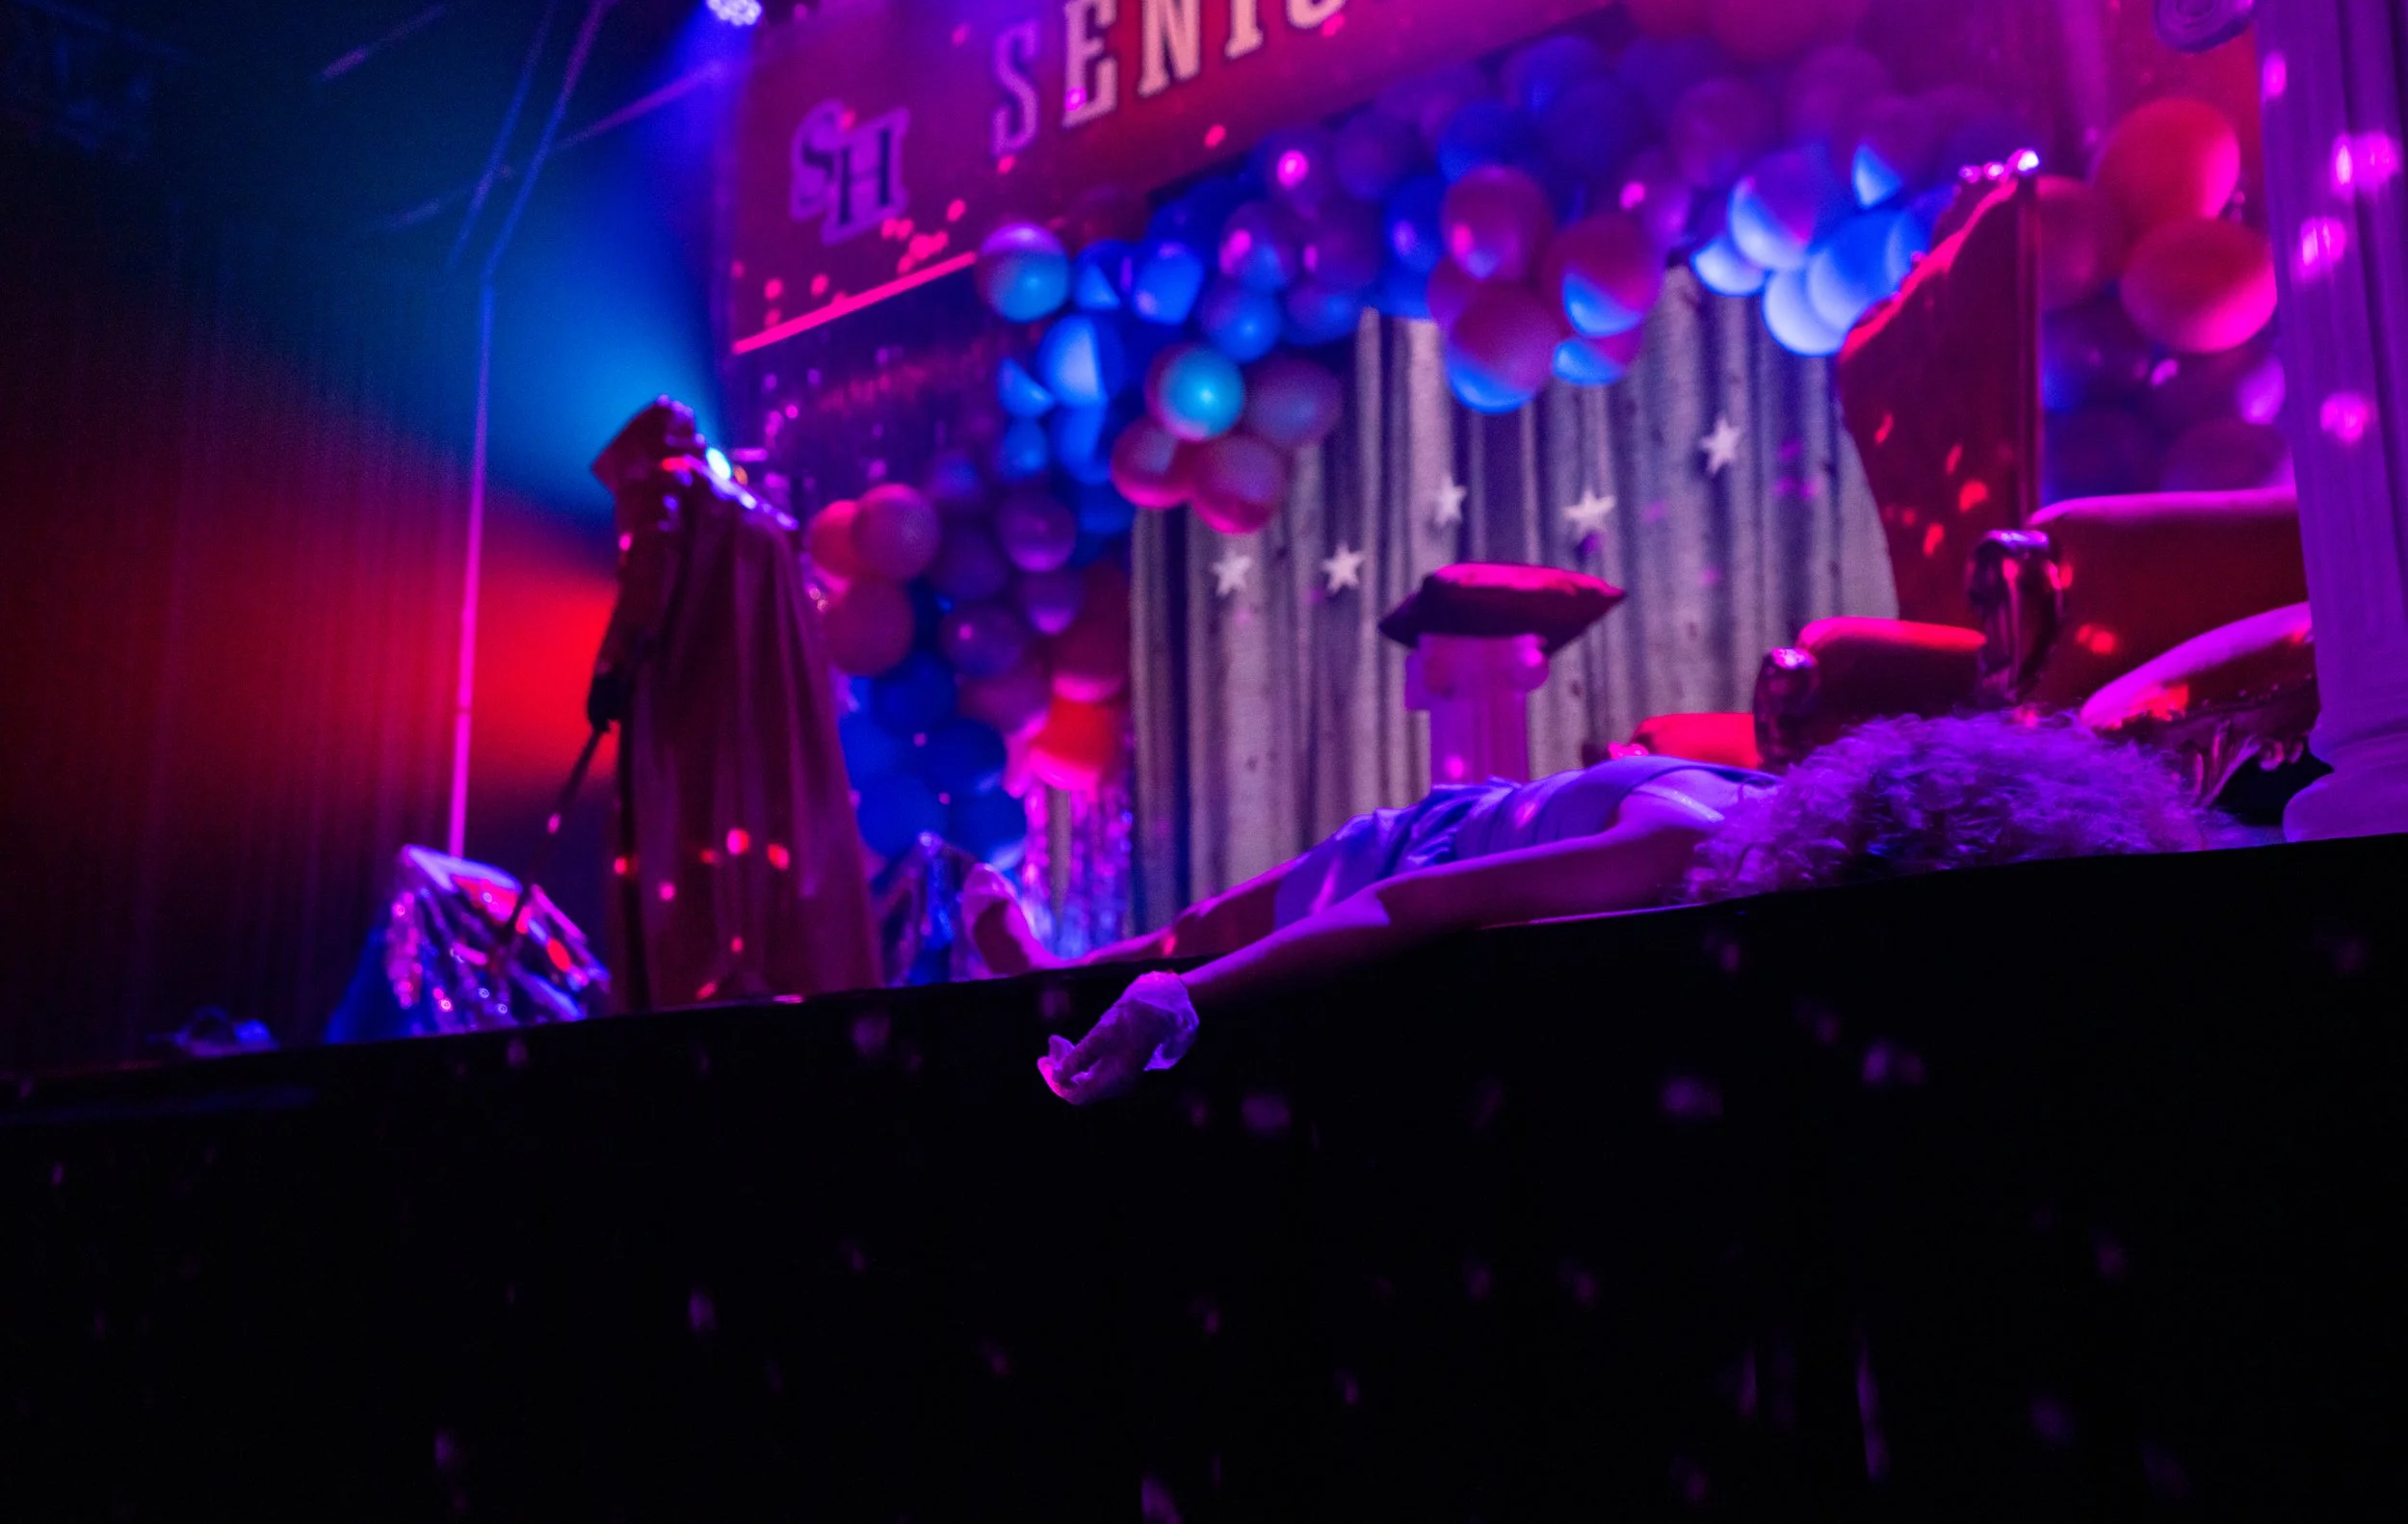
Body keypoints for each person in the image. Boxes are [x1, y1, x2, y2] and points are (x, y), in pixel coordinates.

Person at [995, 714, 2215, 1105]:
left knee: (1181, 932)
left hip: (1484, 822)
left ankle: (1050, 961)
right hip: (1416, 843)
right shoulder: (1683, 843)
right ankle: (1040, 966)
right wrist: (1184, 997)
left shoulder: (1777, 812)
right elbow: (1407, 906)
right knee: (1179, 933)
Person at [587, 399, 879, 1009]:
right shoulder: (756, 513)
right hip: (772, 721)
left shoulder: (670, 486)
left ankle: (706, 978)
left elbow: (649, 578)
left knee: (693, 842)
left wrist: (613, 670)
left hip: (701, 702)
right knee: (771, 834)